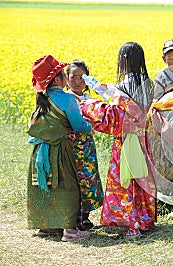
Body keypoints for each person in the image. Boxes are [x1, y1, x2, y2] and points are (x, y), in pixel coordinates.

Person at [80, 42, 157, 238]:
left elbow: (115, 115)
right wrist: (97, 86)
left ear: (124, 60)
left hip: (126, 141)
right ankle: (145, 219)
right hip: (143, 140)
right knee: (142, 179)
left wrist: (88, 105)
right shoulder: (149, 83)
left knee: (127, 179)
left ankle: (131, 225)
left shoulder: (124, 86)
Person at [27, 54, 92, 242]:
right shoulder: (67, 99)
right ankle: (70, 231)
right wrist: (91, 127)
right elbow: (78, 125)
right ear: (57, 79)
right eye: (64, 74)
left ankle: (48, 226)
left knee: (45, 185)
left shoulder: (42, 98)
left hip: (40, 151)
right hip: (61, 151)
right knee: (67, 186)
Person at [66, 60, 104, 231]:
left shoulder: (90, 100)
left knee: (89, 179)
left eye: (82, 77)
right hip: (71, 147)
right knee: (74, 180)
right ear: (66, 79)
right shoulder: (65, 98)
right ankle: (75, 217)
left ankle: (85, 216)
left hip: (87, 146)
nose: (77, 81)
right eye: (73, 77)